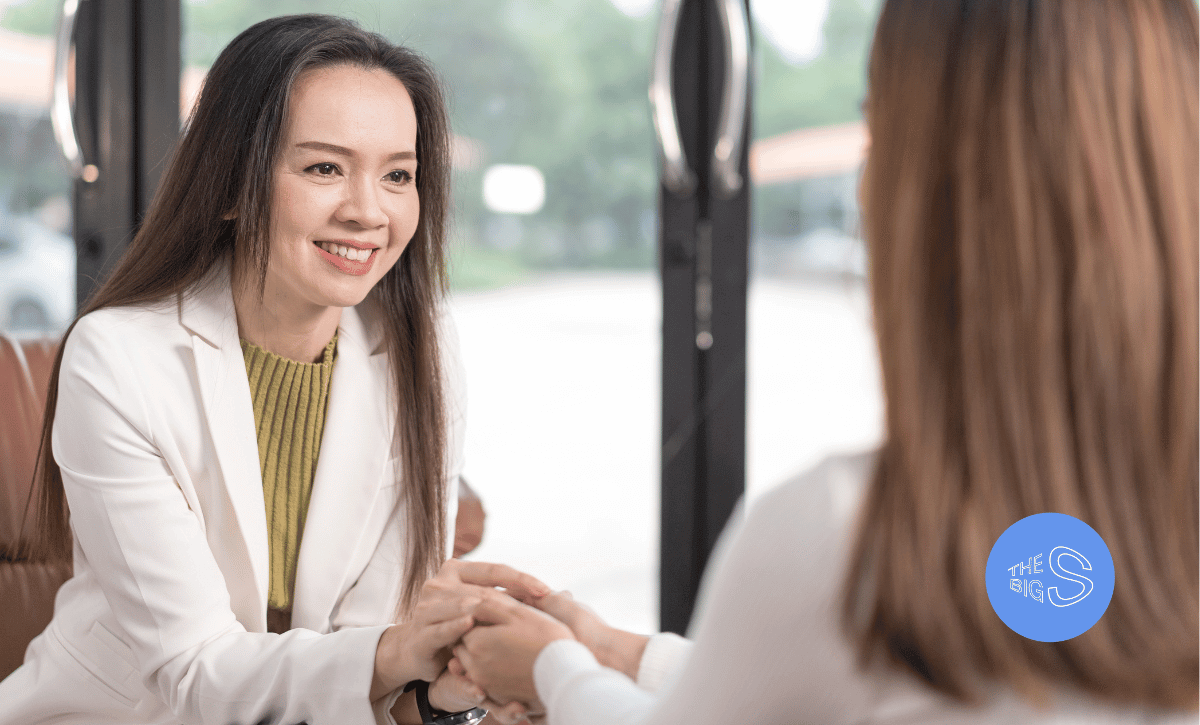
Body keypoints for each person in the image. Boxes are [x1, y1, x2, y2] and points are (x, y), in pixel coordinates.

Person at [452, 0, 1200, 722]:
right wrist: (620, 652)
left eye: (879, 133)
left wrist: (555, 669)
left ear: (934, 198)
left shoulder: (845, 536)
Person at [0, 14, 541, 725]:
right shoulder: (117, 357)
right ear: (230, 185)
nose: (367, 211)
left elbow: (376, 649)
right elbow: (194, 671)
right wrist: (399, 657)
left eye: (398, 175)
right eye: (324, 168)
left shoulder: (422, 346)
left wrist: (447, 687)